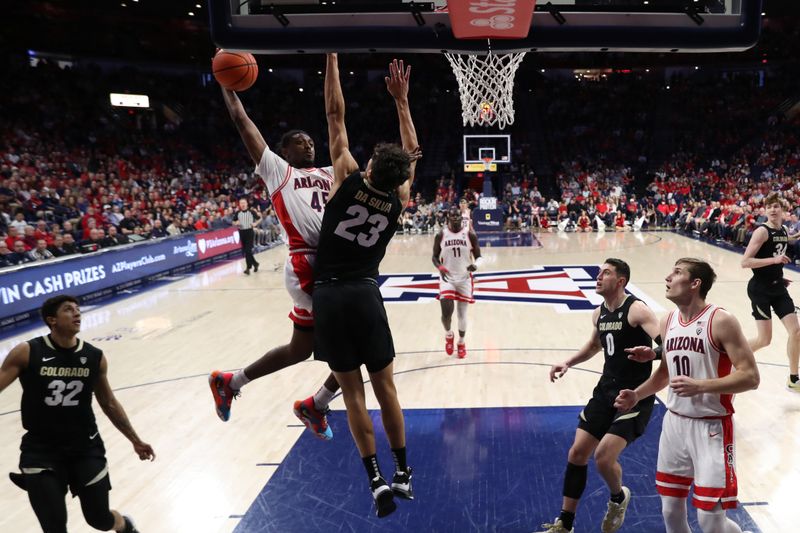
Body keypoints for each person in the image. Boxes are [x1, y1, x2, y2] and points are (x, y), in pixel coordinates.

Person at [312, 54, 419, 518]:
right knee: (386, 389)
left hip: (330, 296)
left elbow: (335, 115)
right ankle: (403, 473)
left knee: (351, 393)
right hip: (365, 292)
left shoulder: (347, 178)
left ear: (371, 166)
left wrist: (332, 55)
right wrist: (402, 103)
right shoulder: (398, 198)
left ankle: (374, 479)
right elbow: (411, 152)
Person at [209, 66, 340, 439]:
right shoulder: (277, 170)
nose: (308, 144)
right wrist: (226, 85)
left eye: (310, 140)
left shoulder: (332, 171)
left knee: (300, 349)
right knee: (356, 345)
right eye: (299, 141)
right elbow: (241, 120)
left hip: (330, 263)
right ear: (283, 151)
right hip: (307, 264)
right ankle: (316, 404)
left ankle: (230, 382)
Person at [615, 258, 759, 533]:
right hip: (675, 424)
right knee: (670, 511)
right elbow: (664, 374)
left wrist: (701, 386)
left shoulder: (721, 320)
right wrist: (637, 394)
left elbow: (751, 377)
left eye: (677, 273)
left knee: (710, 521)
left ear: (695, 284)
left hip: (711, 427)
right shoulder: (668, 320)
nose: (668, 277)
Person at [0, 295, 155, 533]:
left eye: (78, 309)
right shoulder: (27, 352)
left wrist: (135, 440)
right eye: (68, 310)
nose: (77, 313)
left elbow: (109, 403)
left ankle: (123, 524)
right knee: (54, 526)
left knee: (99, 520)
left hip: (85, 448)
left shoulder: (94, 356)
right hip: (41, 450)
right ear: (52, 320)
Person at [538, 259, 661, 533]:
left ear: (621, 281)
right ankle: (565, 524)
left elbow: (667, 345)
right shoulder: (599, 313)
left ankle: (618, 497)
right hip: (606, 390)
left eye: (605, 273)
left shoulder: (637, 310)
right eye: (598, 272)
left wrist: (654, 353)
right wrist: (568, 362)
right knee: (577, 452)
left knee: (603, 457)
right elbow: (594, 345)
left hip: (635, 395)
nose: (598, 277)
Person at [740, 193, 800, 392]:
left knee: (796, 331)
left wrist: (778, 275)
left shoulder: (782, 229)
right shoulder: (761, 232)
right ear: (765, 210)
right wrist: (774, 262)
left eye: (776, 207)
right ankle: (733, 356)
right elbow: (745, 262)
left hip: (778, 288)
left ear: (783, 211)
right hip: (760, 290)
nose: (773, 210)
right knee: (764, 340)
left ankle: (793, 378)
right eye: (769, 207)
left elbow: (782, 241)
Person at [432, 205, 483, 358]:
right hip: (447, 277)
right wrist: (439, 266)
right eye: (452, 216)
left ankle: (461, 342)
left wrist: (476, 265)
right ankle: (448, 335)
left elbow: (479, 256)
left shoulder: (470, 234)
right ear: (448, 218)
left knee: (462, 314)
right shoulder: (441, 235)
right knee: (446, 313)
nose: (455, 218)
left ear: (462, 218)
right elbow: (434, 257)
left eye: (458, 216)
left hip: (465, 278)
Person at [233, 197, 261, 275]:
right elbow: (233, 221)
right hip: (241, 232)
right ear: (239, 204)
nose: (242, 204)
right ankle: (255, 263)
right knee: (246, 251)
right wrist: (236, 223)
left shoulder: (251, 211)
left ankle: (248, 268)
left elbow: (259, 218)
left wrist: (255, 224)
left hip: (249, 232)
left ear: (247, 203)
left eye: (244, 203)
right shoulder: (237, 213)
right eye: (241, 203)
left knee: (248, 250)